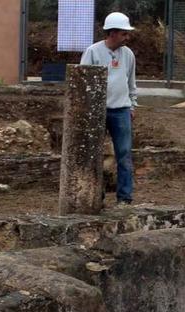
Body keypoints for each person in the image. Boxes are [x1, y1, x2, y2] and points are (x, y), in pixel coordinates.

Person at [79, 12, 139, 205]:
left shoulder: (128, 54)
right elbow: (83, 81)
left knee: (124, 154)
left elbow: (131, 82)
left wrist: (132, 105)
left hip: (121, 110)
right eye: (123, 33)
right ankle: (97, 196)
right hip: (98, 111)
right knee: (94, 155)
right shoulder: (93, 52)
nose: (127, 37)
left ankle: (125, 198)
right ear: (112, 33)